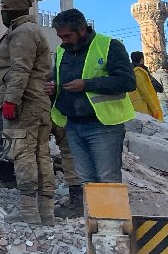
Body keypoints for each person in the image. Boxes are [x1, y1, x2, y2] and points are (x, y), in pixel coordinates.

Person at [48, 9, 136, 184]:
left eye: (67, 36)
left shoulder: (109, 45)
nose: (63, 41)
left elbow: (127, 82)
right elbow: (59, 80)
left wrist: (87, 84)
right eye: (60, 37)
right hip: (73, 125)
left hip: (103, 125)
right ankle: (95, 213)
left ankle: (111, 213)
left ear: (82, 29)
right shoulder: (62, 51)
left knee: (107, 179)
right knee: (86, 181)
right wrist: (53, 89)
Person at [0, 0, 54, 224]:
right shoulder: (31, 31)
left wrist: (11, 99)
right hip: (38, 103)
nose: (2, 13)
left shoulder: (22, 33)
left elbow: (20, 69)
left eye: (4, 9)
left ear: (10, 10)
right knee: (41, 154)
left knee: (23, 153)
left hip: (25, 105)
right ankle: (46, 212)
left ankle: (29, 212)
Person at [126, 52, 164, 121]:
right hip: (143, 107)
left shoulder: (129, 71)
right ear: (142, 60)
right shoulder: (139, 71)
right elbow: (145, 91)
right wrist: (154, 109)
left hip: (133, 106)